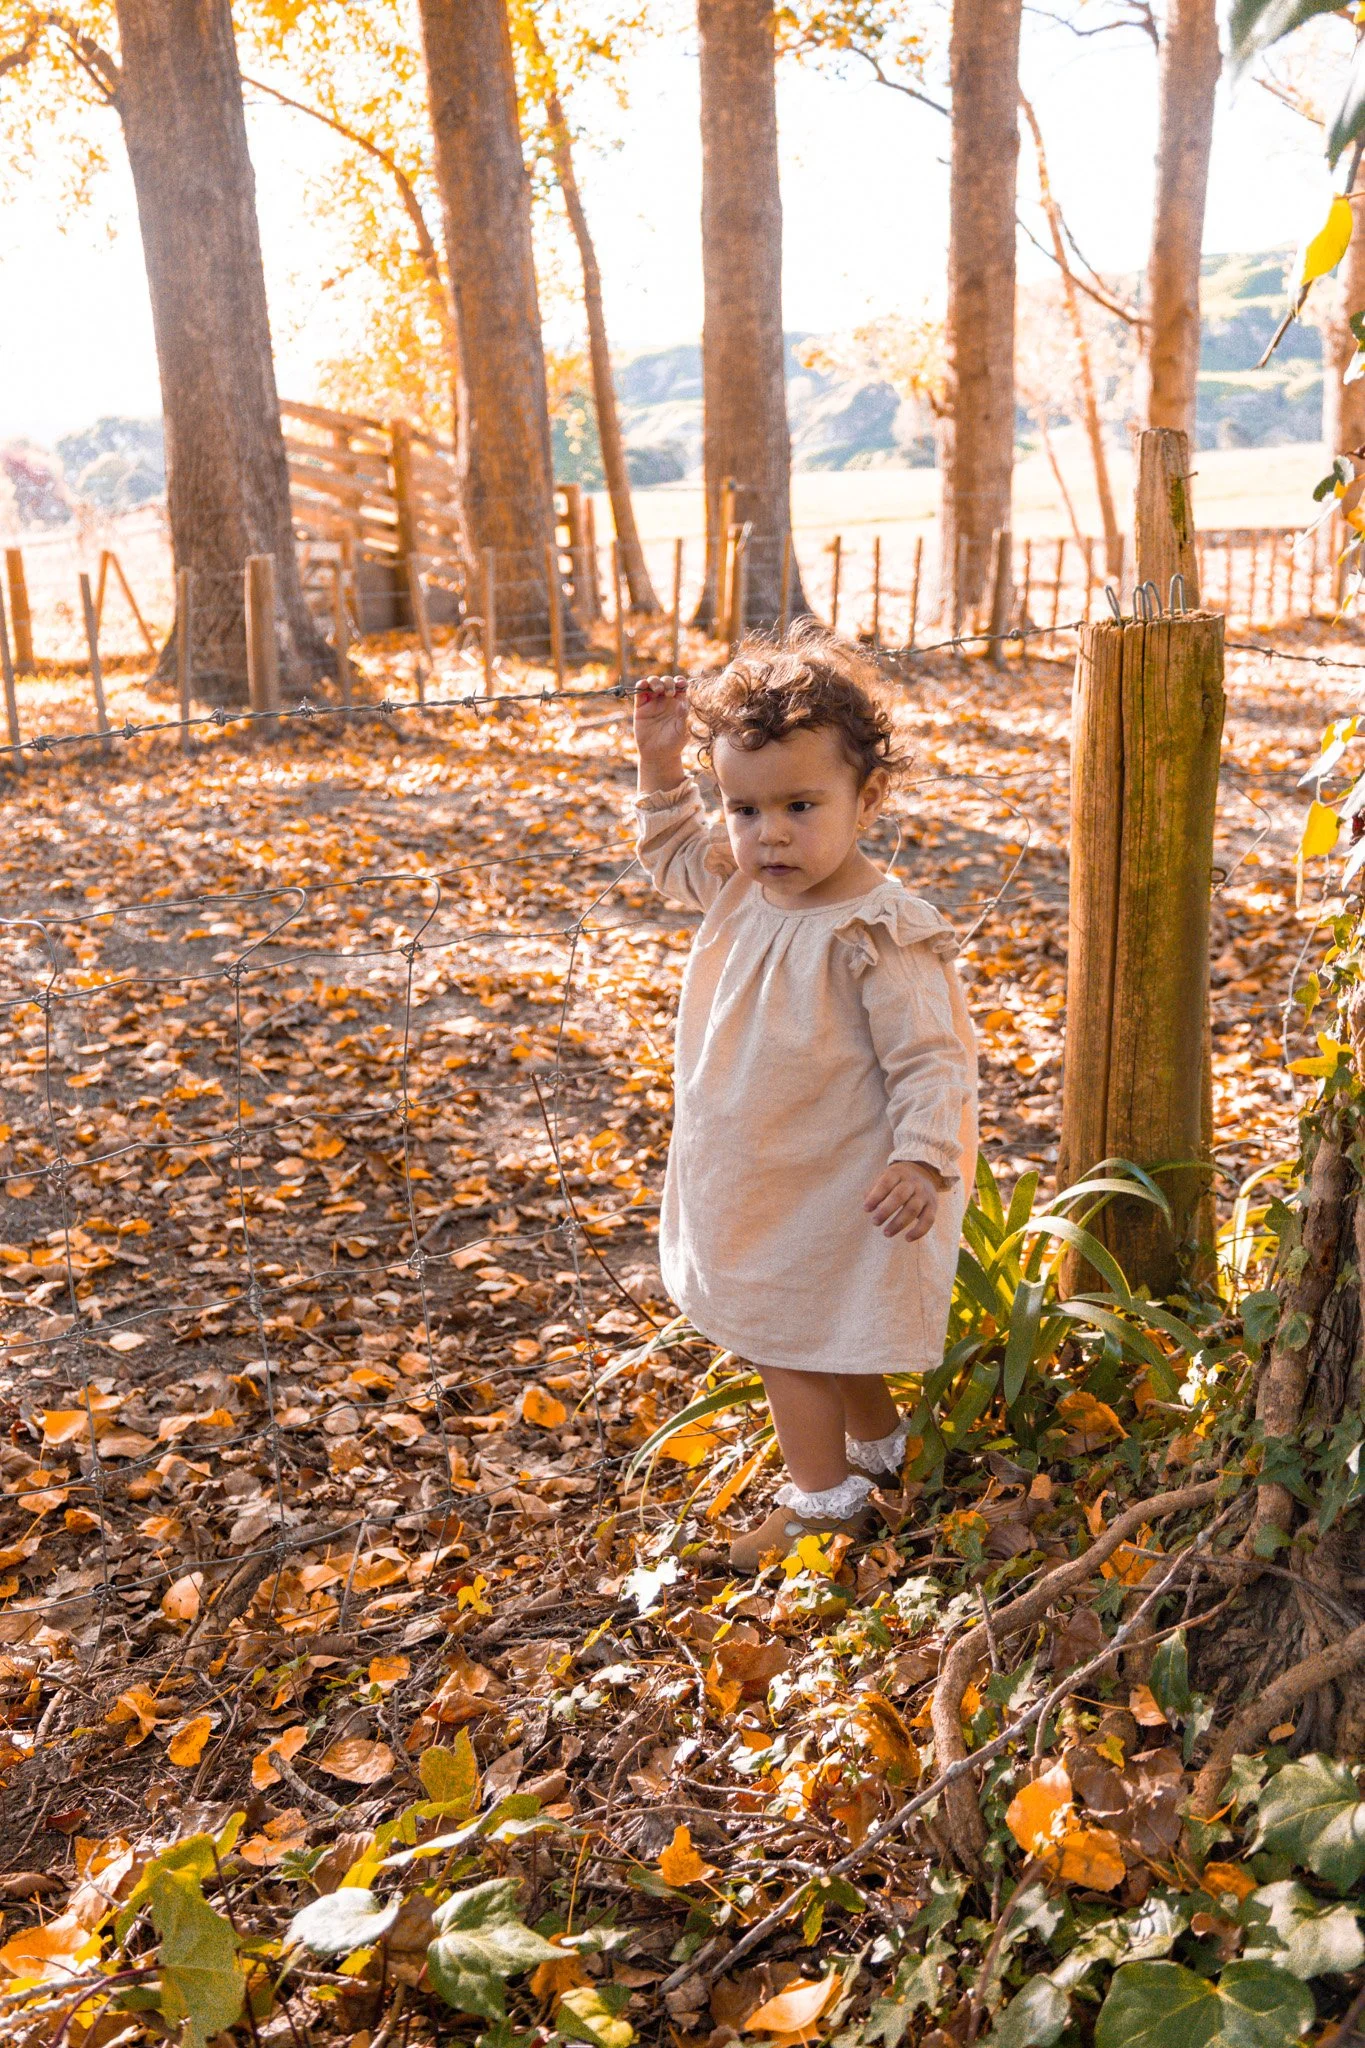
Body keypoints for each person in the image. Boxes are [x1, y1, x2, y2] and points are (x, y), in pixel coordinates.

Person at [632, 622, 978, 1571]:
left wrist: (922, 1155)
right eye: (742, 811)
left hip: (838, 1174)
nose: (767, 833)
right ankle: (881, 1452)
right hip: (755, 1164)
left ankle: (822, 1507)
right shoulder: (744, 888)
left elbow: (932, 1059)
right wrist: (661, 766)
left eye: (797, 805)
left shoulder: (877, 929)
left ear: (867, 797)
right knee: (825, 1323)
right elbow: (670, 856)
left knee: (790, 1330)